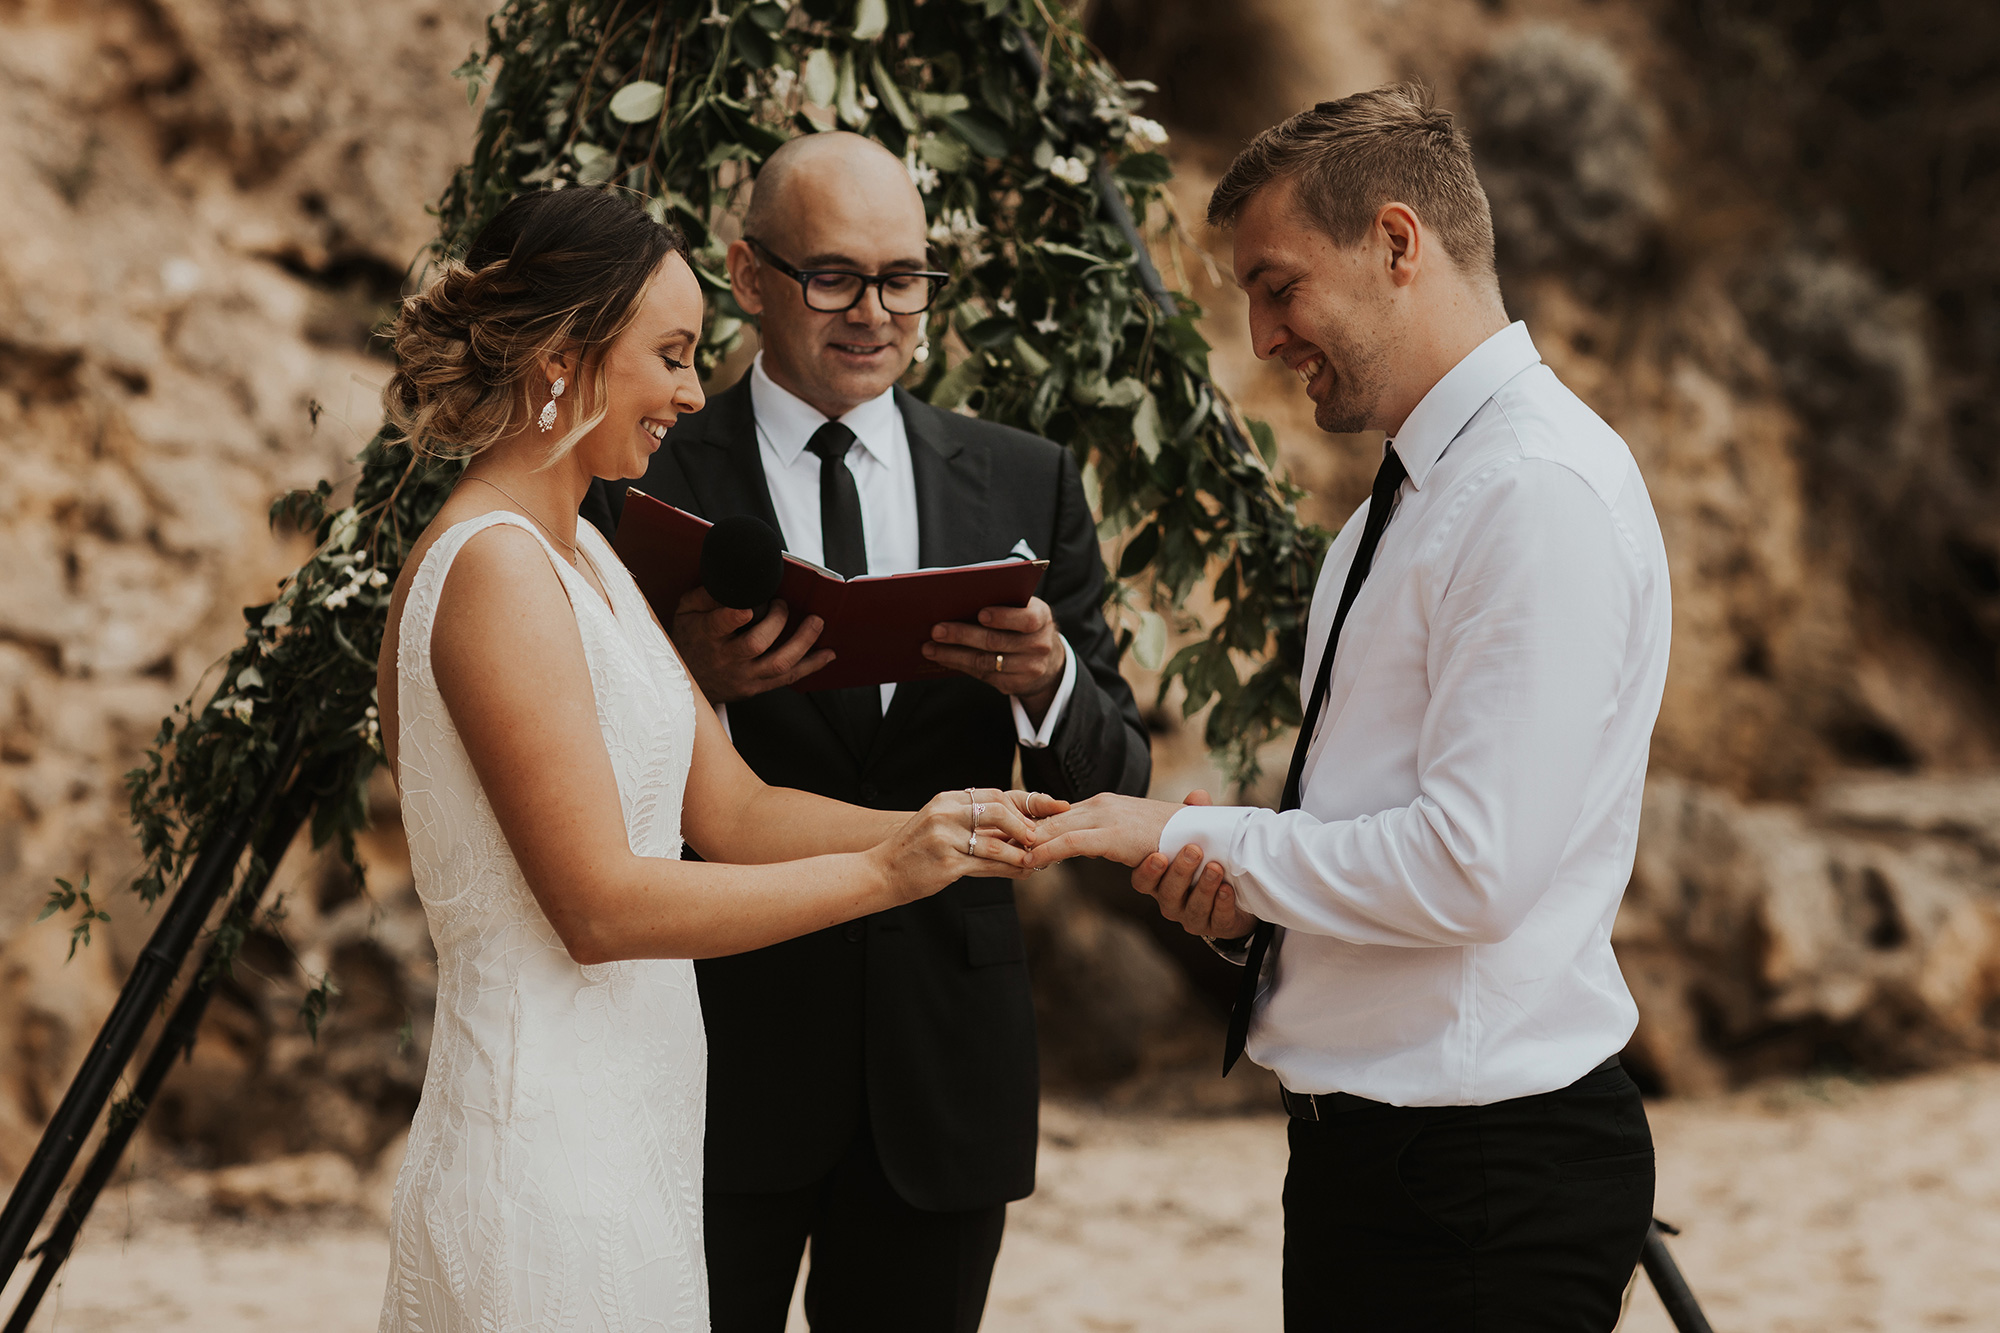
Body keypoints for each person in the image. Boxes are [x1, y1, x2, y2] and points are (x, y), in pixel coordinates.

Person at [1028, 84, 1672, 1331]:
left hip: (1476, 1181)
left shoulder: (1527, 492)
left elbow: (1471, 869)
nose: (1263, 337)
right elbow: (1389, 832)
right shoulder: (1425, 489)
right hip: (1375, 1166)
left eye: (1278, 286)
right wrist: (1239, 906)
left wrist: (1180, 834)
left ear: (1394, 242)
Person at [370, 187, 1054, 1333]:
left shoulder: (580, 546)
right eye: (672, 356)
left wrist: (943, 827)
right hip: (538, 1148)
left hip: (638, 1136)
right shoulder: (491, 567)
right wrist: (887, 877)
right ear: (560, 359)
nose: (693, 394)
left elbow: (732, 810)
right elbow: (596, 904)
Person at [581, 132, 1151, 1332]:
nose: (876, 313)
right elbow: (567, 767)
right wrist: (688, 679)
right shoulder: (640, 473)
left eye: (905, 277)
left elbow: (1118, 772)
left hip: (942, 1059)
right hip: (714, 1049)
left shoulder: (1022, 480)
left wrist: (1044, 684)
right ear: (747, 275)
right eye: (833, 277)